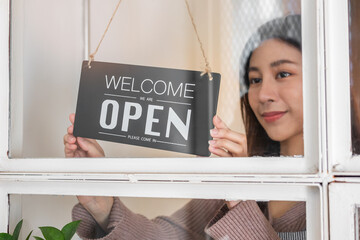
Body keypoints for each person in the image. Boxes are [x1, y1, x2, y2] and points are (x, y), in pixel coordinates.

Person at [64, 14, 306, 240]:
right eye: (255, 80)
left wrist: (241, 194)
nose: (263, 94)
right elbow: (166, 236)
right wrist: (100, 201)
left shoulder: (341, 189)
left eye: (283, 74)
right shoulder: (233, 173)